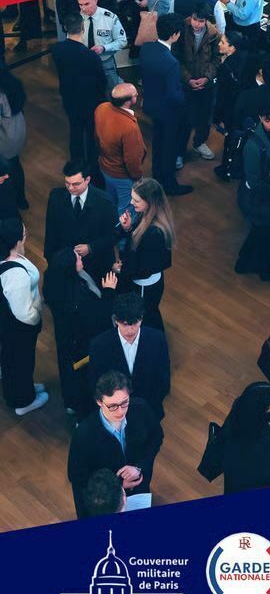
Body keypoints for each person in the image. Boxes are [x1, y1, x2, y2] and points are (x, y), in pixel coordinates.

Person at [67, 370, 163, 518]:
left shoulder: (141, 409)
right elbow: (78, 477)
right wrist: (118, 486)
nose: (120, 411)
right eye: (112, 406)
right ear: (99, 402)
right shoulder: (84, 435)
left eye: (125, 402)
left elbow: (156, 438)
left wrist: (139, 467)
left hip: (140, 485)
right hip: (108, 502)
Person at [43, 247, 118, 416]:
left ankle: (71, 402)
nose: (80, 259)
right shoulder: (79, 298)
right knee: (85, 376)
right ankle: (83, 408)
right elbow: (98, 318)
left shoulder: (54, 281)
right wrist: (109, 291)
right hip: (85, 344)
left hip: (66, 338)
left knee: (68, 370)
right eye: (77, 258)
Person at [235, 99, 270, 281]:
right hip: (258, 197)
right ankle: (265, 269)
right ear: (260, 118)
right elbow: (254, 182)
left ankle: (244, 261)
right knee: (265, 228)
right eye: (268, 120)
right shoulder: (253, 146)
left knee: (260, 230)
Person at [90, 293, 171, 420]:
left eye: (134, 323)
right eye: (125, 324)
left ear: (141, 318)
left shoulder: (157, 339)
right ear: (116, 320)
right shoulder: (99, 345)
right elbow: (97, 384)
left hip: (149, 409)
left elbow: (163, 378)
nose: (130, 330)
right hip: (115, 412)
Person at [139, 13, 193, 196]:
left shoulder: (146, 48)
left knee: (158, 142)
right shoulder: (171, 62)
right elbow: (174, 95)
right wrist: (186, 98)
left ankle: (157, 175)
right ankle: (170, 184)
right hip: (168, 111)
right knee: (169, 147)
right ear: (175, 34)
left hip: (151, 104)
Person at [0, 217, 47, 416]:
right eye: (24, 233)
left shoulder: (9, 257)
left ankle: (24, 387)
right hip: (19, 328)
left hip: (9, 324)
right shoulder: (15, 275)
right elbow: (23, 313)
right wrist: (37, 316)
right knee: (21, 362)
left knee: (16, 361)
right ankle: (23, 401)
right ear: (18, 240)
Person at [115, 178, 175, 331]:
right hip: (146, 280)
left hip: (144, 285)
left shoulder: (154, 233)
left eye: (136, 200)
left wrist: (121, 270)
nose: (131, 202)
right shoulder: (146, 215)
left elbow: (145, 268)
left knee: (145, 318)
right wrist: (128, 228)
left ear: (149, 202)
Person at [44, 160, 116, 283]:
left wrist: (90, 247)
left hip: (95, 264)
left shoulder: (105, 202)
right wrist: (51, 260)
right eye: (67, 183)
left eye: (76, 184)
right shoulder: (55, 197)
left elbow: (112, 236)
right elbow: (51, 231)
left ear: (87, 180)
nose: (70, 188)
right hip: (66, 264)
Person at [51, 11, 107, 167]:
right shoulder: (91, 56)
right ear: (83, 28)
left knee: (75, 129)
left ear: (65, 28)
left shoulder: (57, 50)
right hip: (90, 100)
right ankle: (92, 164)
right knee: (91, 132)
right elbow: (101, 81)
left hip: (69, 97)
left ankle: (76, 161)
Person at [221, 382, 270, 494]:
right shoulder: (261, 436)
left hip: (232, 471)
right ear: (263, 407)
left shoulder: (239, 405)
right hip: (249, 482)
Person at [94, 83, 146, 215]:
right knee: (127, 210)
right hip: (122, 175)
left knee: (111, 201)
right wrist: (138, 177)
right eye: (135, 95)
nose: (137, 95)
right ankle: (123, 229)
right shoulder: (129, 127)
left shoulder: (101, 108)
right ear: (129, 101)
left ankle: (109, 224)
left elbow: (96, 137)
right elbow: (132, 159)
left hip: (105, 166)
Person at [177, 8, 221, 162]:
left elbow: (217, 59)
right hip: (185, 83)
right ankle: (179, 151)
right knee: (184, 119)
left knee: (205, 117)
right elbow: (176, 57)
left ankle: (199, 143)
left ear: (206, 21)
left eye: (201, 21)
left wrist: (207, 78)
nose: (196, 24)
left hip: (206, 85)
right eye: (194, 19)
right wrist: (188, 79)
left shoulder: (214, 34)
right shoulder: (181, 29)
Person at [77, 0, 127, 90]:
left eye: (87, 4)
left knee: (113, 90)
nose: (83, 9)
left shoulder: (109, 18)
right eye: (80, 5)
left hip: (105, 62)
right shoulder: (77, 19)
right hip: (84, 63)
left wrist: (104, 48)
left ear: (96, 0)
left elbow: (122, 41)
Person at [0, 64, 29, 209]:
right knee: (16, 165)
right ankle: (21, 199)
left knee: (5, 171)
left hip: (4, 137)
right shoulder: (14, 85)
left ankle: (9, 204)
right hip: (17, 130)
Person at [213, 30, 246, 135]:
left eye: (223, 42)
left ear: (232, 48)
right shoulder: (240, 58)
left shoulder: (226, 68)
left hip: (227, 105)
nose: (219, 44)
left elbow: (223, 92)